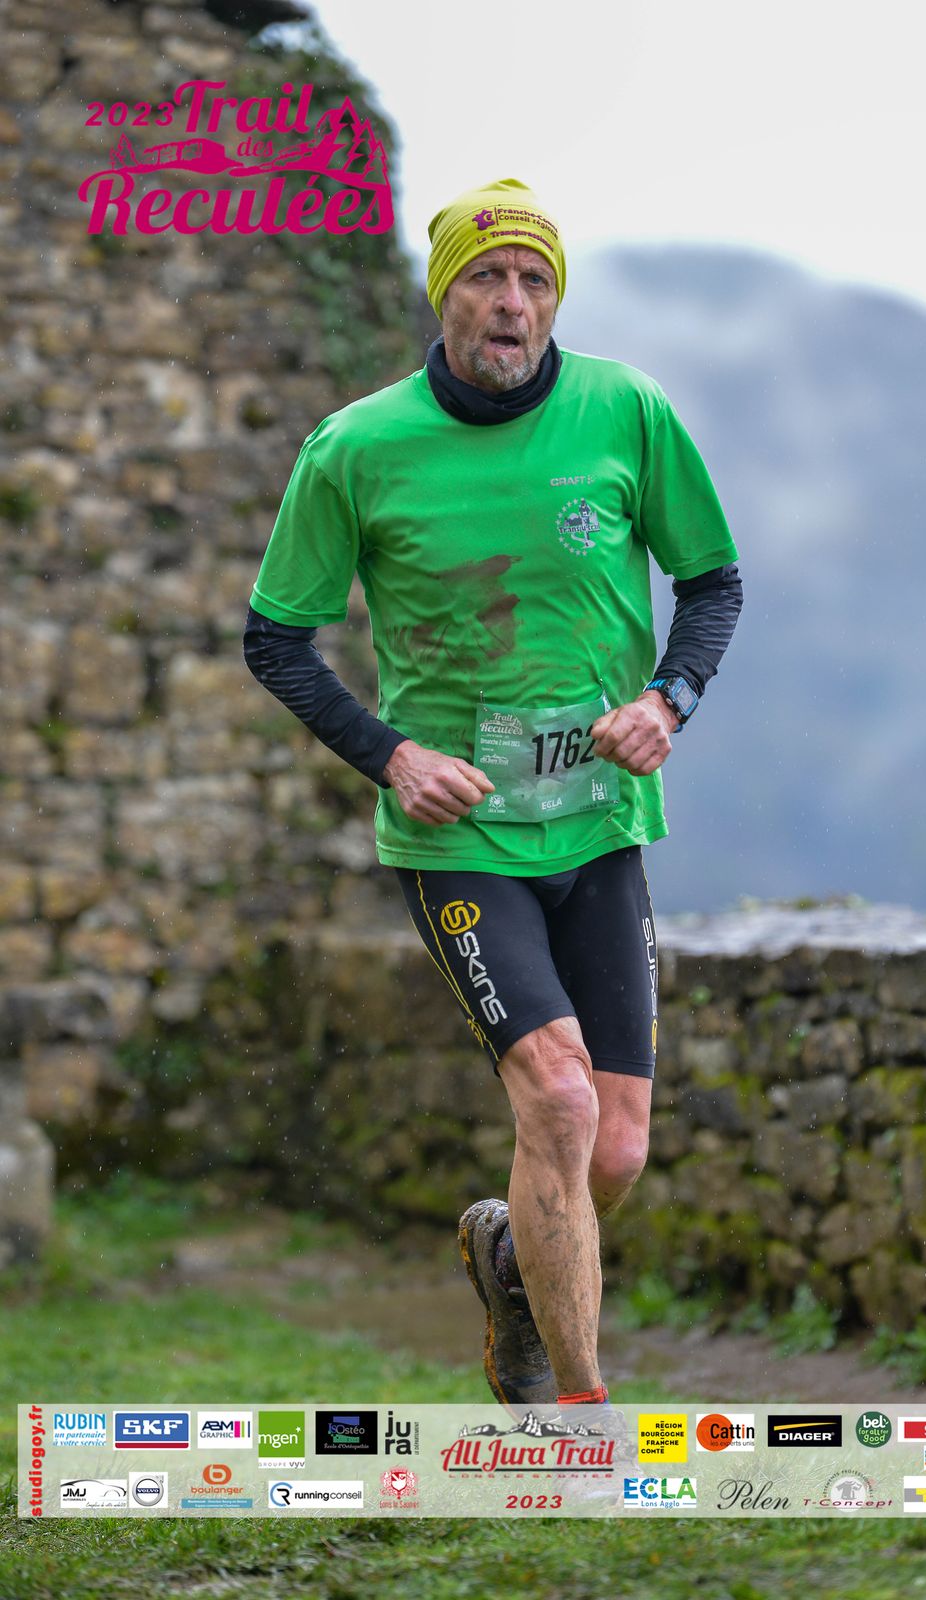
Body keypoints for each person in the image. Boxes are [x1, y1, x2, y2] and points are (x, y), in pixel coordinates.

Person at [244, 177, 743, 1415]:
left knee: (613, 1145)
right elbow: (276, 638)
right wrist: (391, 755)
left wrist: (668, 697)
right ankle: (577, 1417)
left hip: (599, 823)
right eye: (485, 277)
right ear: (445, 297)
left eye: (532, 279)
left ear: (553, 299)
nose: (511, 302)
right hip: (458, 836)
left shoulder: (624, 410)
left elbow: (712, 581)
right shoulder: (355, 447)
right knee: (558, 1100)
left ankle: (511, 1257)